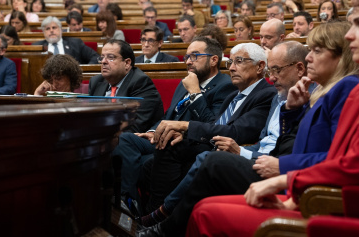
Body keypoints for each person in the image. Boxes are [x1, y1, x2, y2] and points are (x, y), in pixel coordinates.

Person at [186, 0, 359, 237]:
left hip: (355, 206)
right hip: (322, 193)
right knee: (204, 206)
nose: (349, 35)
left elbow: (357, 165)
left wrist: (285, 179)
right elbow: (335, 155)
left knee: (205, 213)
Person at [137, 40, 308, 228]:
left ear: (260, 67)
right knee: (158, 151)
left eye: (239, 61)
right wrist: (186, 134)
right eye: (230, 63)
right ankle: (147, 213)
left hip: (257, 158)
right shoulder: (260, 97)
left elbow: (240, 133)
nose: (232, 68)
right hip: (234, 148)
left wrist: (189, 122)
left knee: (207, 158)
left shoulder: (269, 94)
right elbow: (259, 137)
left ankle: (160, 218)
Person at [112, 36, 236, 214]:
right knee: (124, 140)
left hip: (183, 143)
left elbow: (211, 124)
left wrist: (195, 93)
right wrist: (153, 131)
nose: (188, 61)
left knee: (140, 163)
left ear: (214, 60)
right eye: (186, 57)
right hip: (161, 137)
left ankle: (143, 213)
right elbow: (169, 115)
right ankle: (129, 202)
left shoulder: (225, 86)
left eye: (194, 56)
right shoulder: (185, 82)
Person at [89, 39, 164, 133]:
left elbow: (135, 126)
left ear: (127, 63)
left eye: (110, 57)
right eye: (102, 57)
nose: (103, 61)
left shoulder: (141, 83)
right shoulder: (96, 82)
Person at [33, 16, 99, 64]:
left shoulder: (75, 43)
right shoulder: (37, 46)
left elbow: (95, 56)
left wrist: (84, 70)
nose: (51, 31)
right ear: (43, 32)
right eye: (47, 29)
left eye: (54, 27)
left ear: (61, 29)